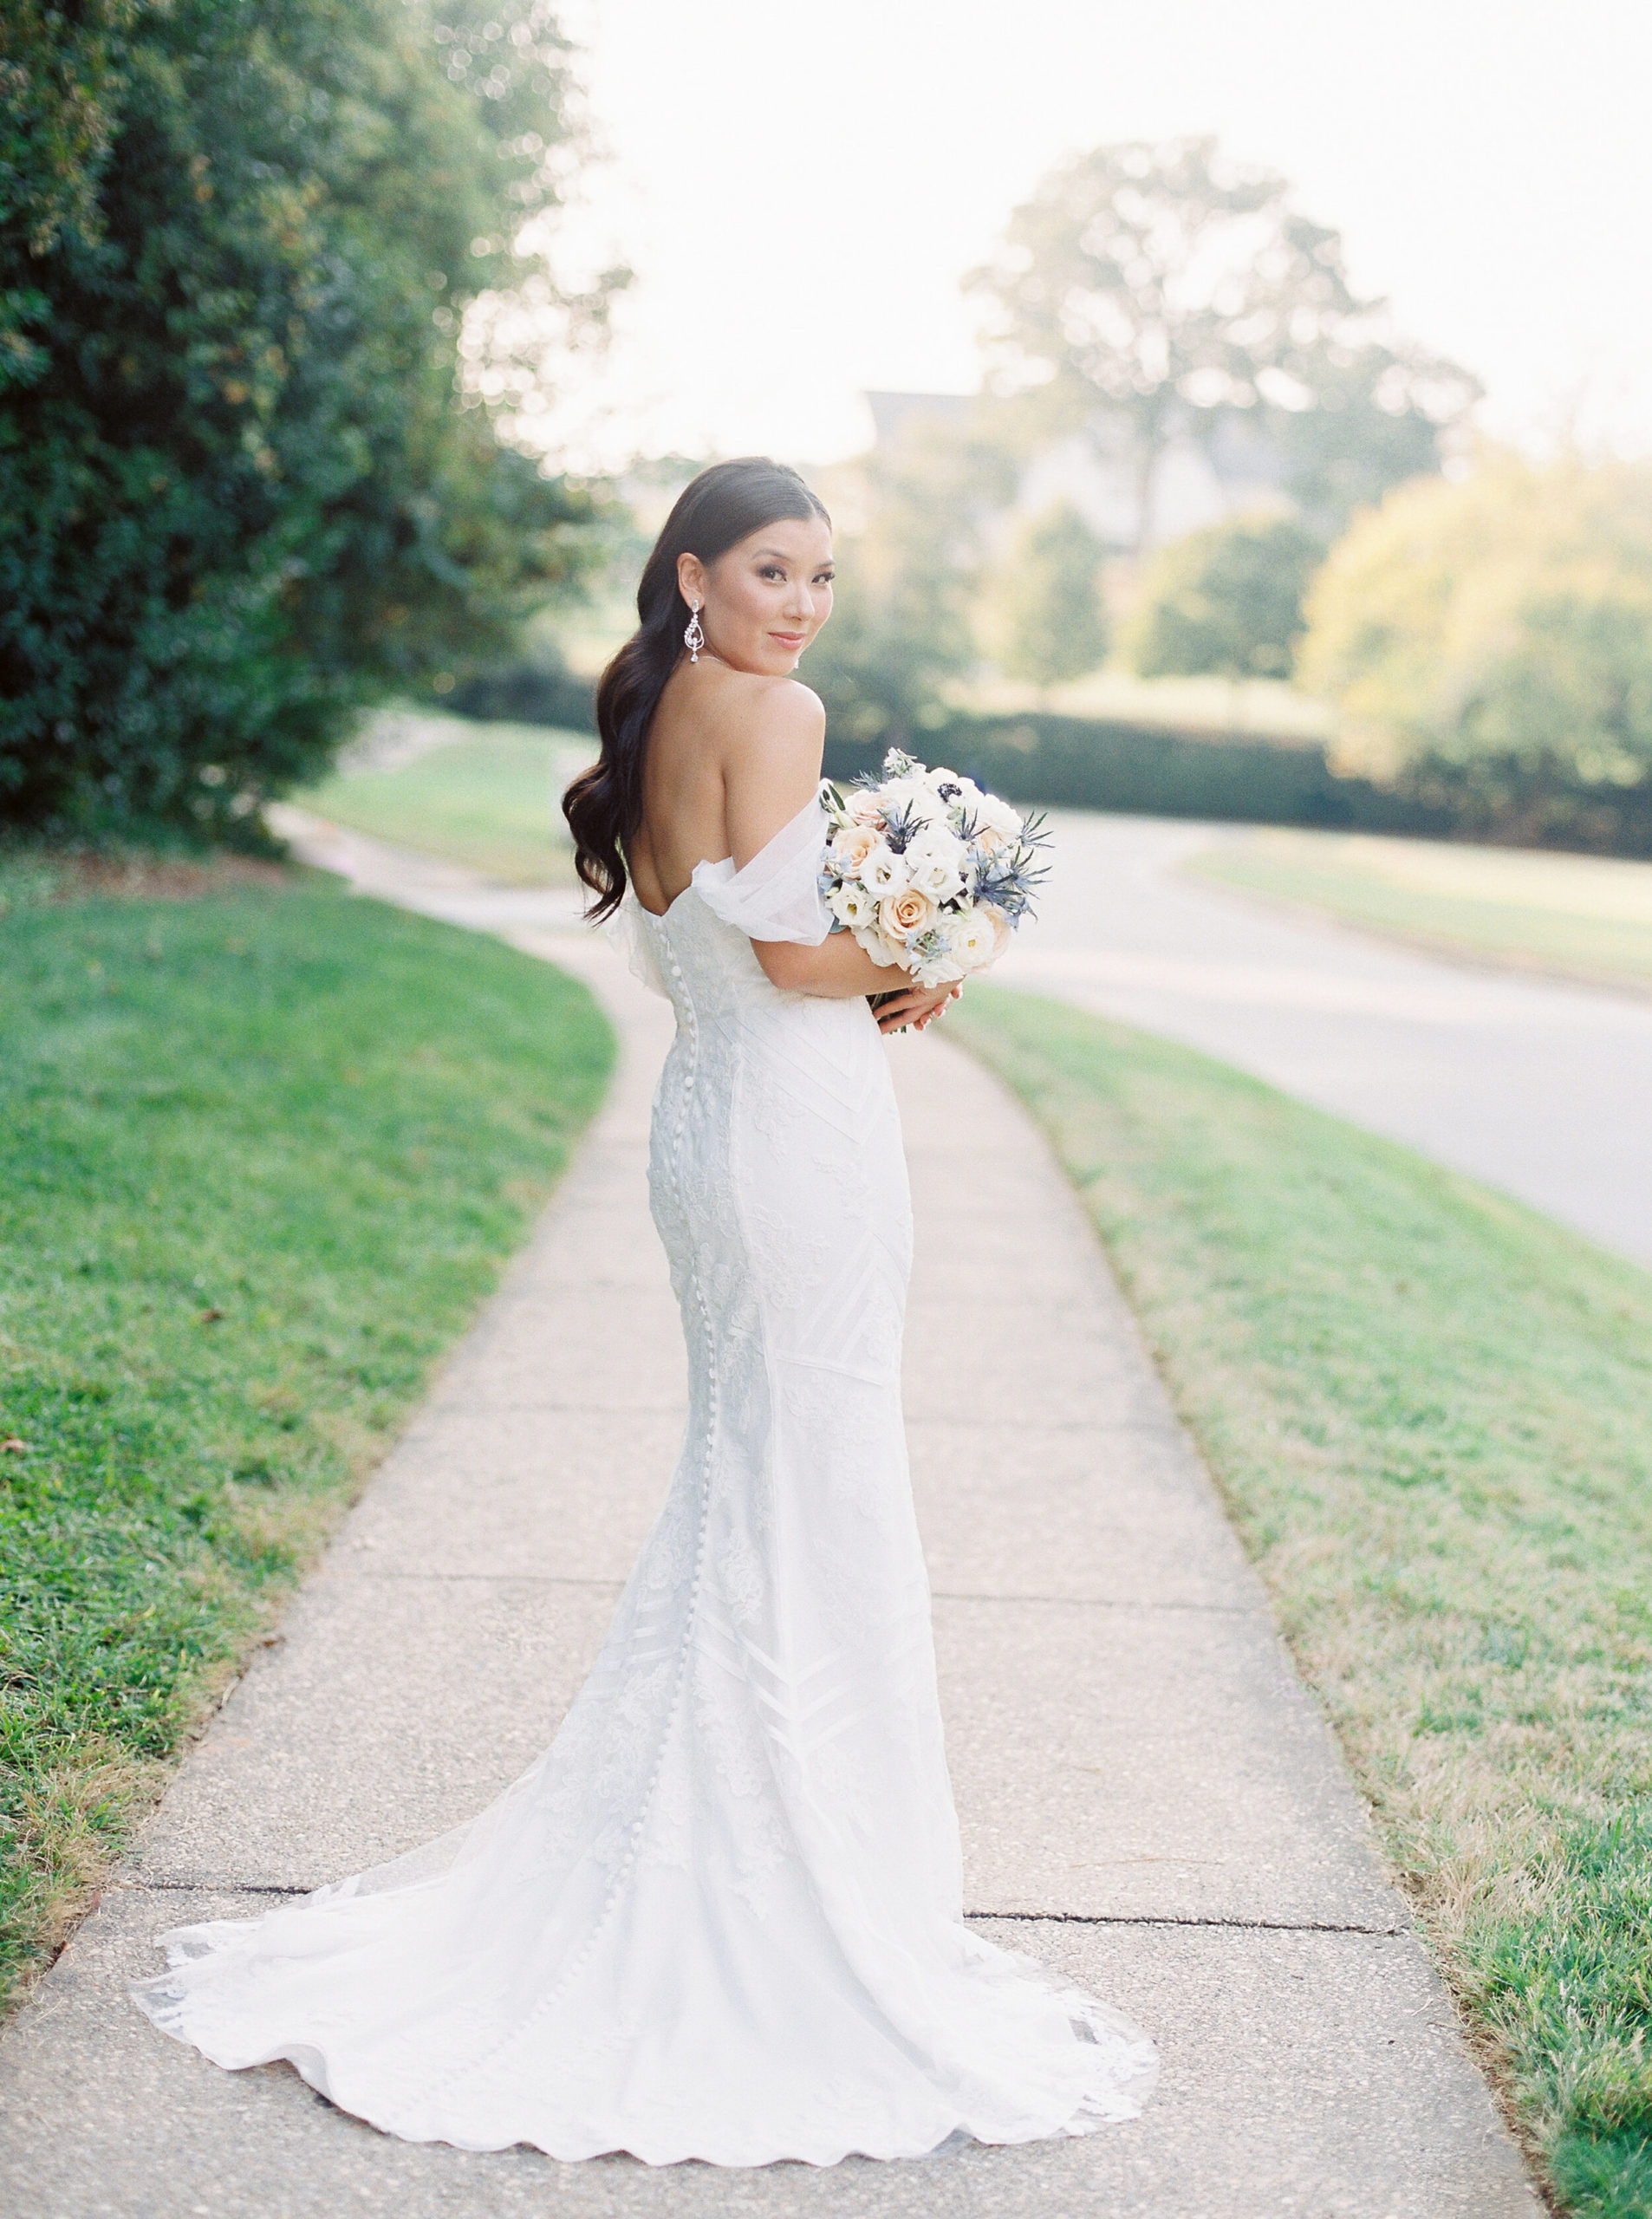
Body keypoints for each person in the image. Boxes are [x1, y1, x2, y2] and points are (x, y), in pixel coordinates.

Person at [133, 457, 1157, 2164]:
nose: (802, 603)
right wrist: (944, 937)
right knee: (807, 1485)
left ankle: (725, 1836)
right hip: (794, 1139)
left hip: (715, 1131)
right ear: (693, 567)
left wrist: (887, 944)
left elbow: (727, 931)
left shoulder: (668, 703)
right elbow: (791, 959)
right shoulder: (773, 706)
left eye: (822, 576)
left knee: (752, 1482)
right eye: (772, 568)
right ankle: (789, 1896)